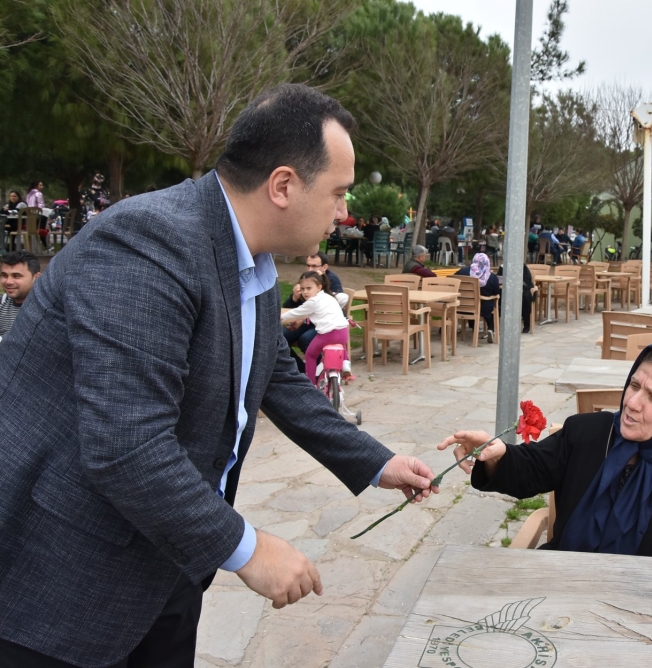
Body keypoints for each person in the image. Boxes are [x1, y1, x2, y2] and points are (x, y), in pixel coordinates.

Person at [0, 84, 440, 667]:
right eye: (337, 194)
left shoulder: (252, 259)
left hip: (170, 555)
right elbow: (127, 446)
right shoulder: (147, 244)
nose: (342, 214)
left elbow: (275, 376)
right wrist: (248, 548)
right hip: (66, 577)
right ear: (283, 185)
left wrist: (374, 461)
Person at [438, 343, 652, 560]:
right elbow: (530, 469)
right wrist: (498, 453)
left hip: (650, 608)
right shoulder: (589, 432)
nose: (632, 402)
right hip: (565, 582)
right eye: (634, 385)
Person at [281, 271, 351, 386]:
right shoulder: (329, 297)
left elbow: (296, 312)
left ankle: (311, 383)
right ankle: (345, 363)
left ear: (319, 287)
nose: (305, 292)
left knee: (310, 355)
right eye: (302, 289)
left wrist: (280, 318)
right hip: (343, 333)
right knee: (339, 343)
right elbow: (343, 297)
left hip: (328, 335)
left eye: (309, 288)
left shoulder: (313, 302)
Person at [456, 252, 501, 341]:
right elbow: (496, 292)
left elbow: (453, 281)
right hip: (483, 309)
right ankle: (491, 329)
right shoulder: (491, 277)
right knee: (490, 302)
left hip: (461, 307)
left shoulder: (462, 272)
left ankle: (473, 327)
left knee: (475, 302)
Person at [0, 251, 40, 341]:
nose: (8, 282)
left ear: (36, 278)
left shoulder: (46, 308)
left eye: (16, 276)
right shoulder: (2, 303)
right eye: (4, 275)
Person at [498, 263, 535, 333]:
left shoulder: (523, 267)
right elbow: (499, 280)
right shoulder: (503, 267)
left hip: (521, 290)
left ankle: (526, 324)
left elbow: (527, 282)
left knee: (525, 297)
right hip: (507, 290)